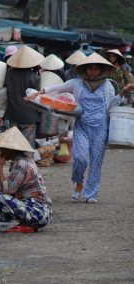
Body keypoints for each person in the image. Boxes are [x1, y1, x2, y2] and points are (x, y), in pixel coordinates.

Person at [27, 52, 127, 203]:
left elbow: (111, 105)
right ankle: (79, 183)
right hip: (82, 126)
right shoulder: (77, 83)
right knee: (80, 159)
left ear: (101, 70)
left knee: (96, 162)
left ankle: (91, 193)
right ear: (84, 69)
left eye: (96, 69)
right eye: (90, 68)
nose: (93, 72)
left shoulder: (107, 85)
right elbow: (57, 88)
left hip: (101, 128)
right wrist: (37, 95)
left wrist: (123, 92)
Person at [0, 127, 52, 232]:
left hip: (38, 212)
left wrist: (0, 166)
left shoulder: (21, 164)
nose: (0, 152)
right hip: (39, 210)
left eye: (2, 149)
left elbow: (7, 190)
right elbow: (11, 186)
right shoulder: (22, 160)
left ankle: (21, 223)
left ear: (10, 150)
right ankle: (24, 223)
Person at [4, 45, 44, 148]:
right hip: (29, 117)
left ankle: (15, 163)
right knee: (27, 147)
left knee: (14, 146)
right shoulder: (35, 77)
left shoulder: (8, 74)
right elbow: (37, 98)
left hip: (13, 115)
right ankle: (25, 163)